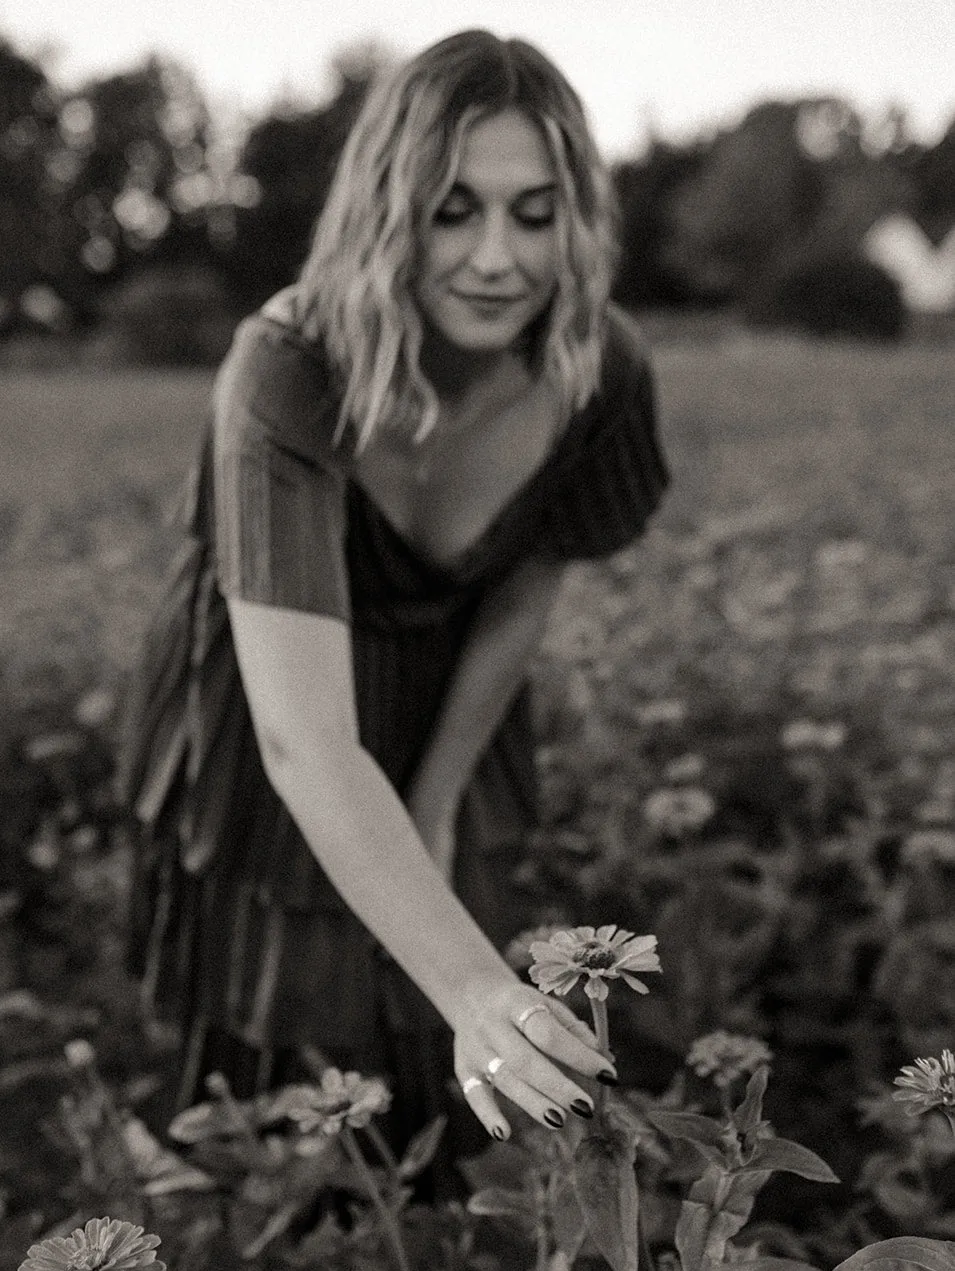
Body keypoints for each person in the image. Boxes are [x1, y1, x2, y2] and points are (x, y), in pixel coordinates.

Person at [119, 30, 670, 1175]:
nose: (494, 258)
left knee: (440, 938)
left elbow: (524, 589)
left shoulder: (597, 370)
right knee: (290, 1001)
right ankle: (255, 1233)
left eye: (534, 212)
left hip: (447, 681)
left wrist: (435, 790)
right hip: (276, 683)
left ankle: (432, 1250)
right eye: (450, 210)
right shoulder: (287, 367)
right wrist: (477, 989)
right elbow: (301, 737)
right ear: (386, 209)